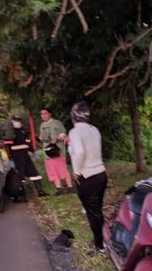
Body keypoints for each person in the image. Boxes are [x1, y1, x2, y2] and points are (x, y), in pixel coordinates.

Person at [67, 101, 108, 253]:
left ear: (73, 117)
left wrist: (76, 171)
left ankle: (100, 246)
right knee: (97, 210)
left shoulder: (75, 132)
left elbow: (80, 152)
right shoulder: (94, 129)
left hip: (87, 176)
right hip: (101, 174)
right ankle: (102, 239)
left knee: (92, 213)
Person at [6, 115, 48, 197]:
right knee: (20, 175)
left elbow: (27, 143)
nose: (17, 122)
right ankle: (20, 194)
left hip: (25, 155)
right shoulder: (9, 133)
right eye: (16, 121)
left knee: (34, 173)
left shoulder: (23, 131)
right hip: (16, 157)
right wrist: (10, 158)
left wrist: (33, 151)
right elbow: (7, 147)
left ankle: (40, 191)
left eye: (18, 120)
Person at [39, 108, 73, 195]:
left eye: (45, 113)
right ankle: (59, 188)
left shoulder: (57, 123)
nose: (43, 116)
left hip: (58, 149)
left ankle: (70, 187)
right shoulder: (42, 125)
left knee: (62, 168)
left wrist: (57, 138)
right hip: (47, 149)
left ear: (50, 114)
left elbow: (64, 134)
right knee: (52, 169)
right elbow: (41, 136)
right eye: (42, 114)